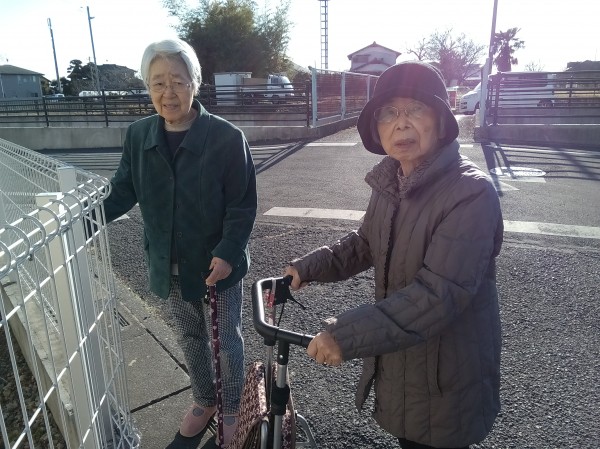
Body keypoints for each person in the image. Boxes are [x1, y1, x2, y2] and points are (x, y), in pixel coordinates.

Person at [284, 61, 503, 449]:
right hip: (404, 358)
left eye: (415, 109)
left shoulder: (471, 193)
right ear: (377, 128)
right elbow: (366, 242)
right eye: (388, 112)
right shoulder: (392, 180)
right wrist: (307, 268)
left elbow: (437, 294)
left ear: (440, 120)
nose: (401, 123)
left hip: (447, 374)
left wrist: (345, 335)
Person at [101, 38, 257, 447]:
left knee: (226, 340)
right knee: (190, 336)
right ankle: (205, 399)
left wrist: (228, 252)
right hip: (167, 262)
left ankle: (231, 405)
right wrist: (81, 221)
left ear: (194, 83)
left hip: (216, 265)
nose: (167, 92)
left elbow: (242, 205)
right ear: (147, 87)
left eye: (177, 81)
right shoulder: (138, 135)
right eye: (157, 83)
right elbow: (121, 191)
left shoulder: (226, 137)